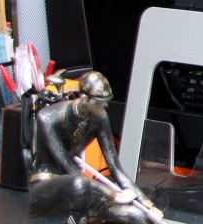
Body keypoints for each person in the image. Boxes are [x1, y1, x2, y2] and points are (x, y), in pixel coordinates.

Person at [28, 71, 163, 224]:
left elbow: (116, 168)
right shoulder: (48, 118)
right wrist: (112, 194)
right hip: (47, 186)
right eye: (100, 101)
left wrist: (148, 205)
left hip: (82, 188)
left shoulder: (99, 117)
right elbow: (70, 169)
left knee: (138, 217)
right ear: (84, 98)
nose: (105, 105)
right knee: (78, 184)